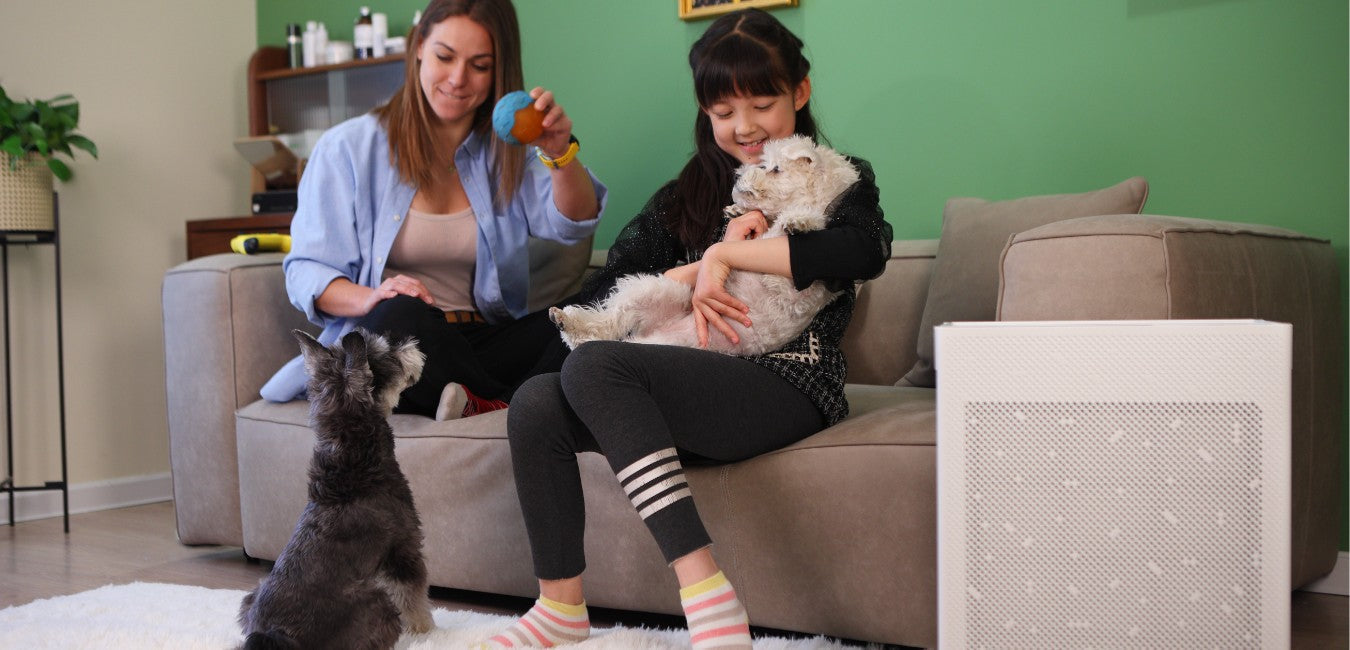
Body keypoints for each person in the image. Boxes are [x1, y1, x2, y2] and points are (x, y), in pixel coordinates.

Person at [486, 8, 891, 649]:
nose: (745, 126)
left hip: (788, 386)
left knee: (594, 366)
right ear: (705, 111)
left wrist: (731, 255)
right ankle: (559, 608)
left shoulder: (833, 177)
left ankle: (708, 598)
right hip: (689, 387)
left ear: (800, 92)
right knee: (537, 399)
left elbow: (861, 252)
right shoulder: (685, 198)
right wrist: (700, 267)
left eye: (762, 104)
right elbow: (610, 292)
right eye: (724, 111)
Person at [259, 0, 606, 420]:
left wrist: (558, 153)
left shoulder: (507, 154)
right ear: (419, 46)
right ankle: (516, 399)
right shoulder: (346, 149)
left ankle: (484, 401)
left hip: (484, 340)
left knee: (605, 300)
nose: (458, 79)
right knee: (399, 317)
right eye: (445, 57)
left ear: (499, 71)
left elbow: (573, 223)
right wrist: (373, 297)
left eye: (479, 65)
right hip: (401, 340)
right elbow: (307, 271)